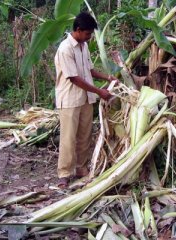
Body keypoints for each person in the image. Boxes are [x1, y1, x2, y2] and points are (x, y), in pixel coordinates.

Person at [54, 12, 118, 188]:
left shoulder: (83, 46)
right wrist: (99, 91)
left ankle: (81, 169)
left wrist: (108, 78)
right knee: (68, 138)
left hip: (85, 98)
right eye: (88, 33)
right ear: (78, 30)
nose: (89, 37)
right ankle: (64, 174)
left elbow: (89, 70)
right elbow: (73, 78)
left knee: (84, 136)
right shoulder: (65, 49)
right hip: (69, 100)